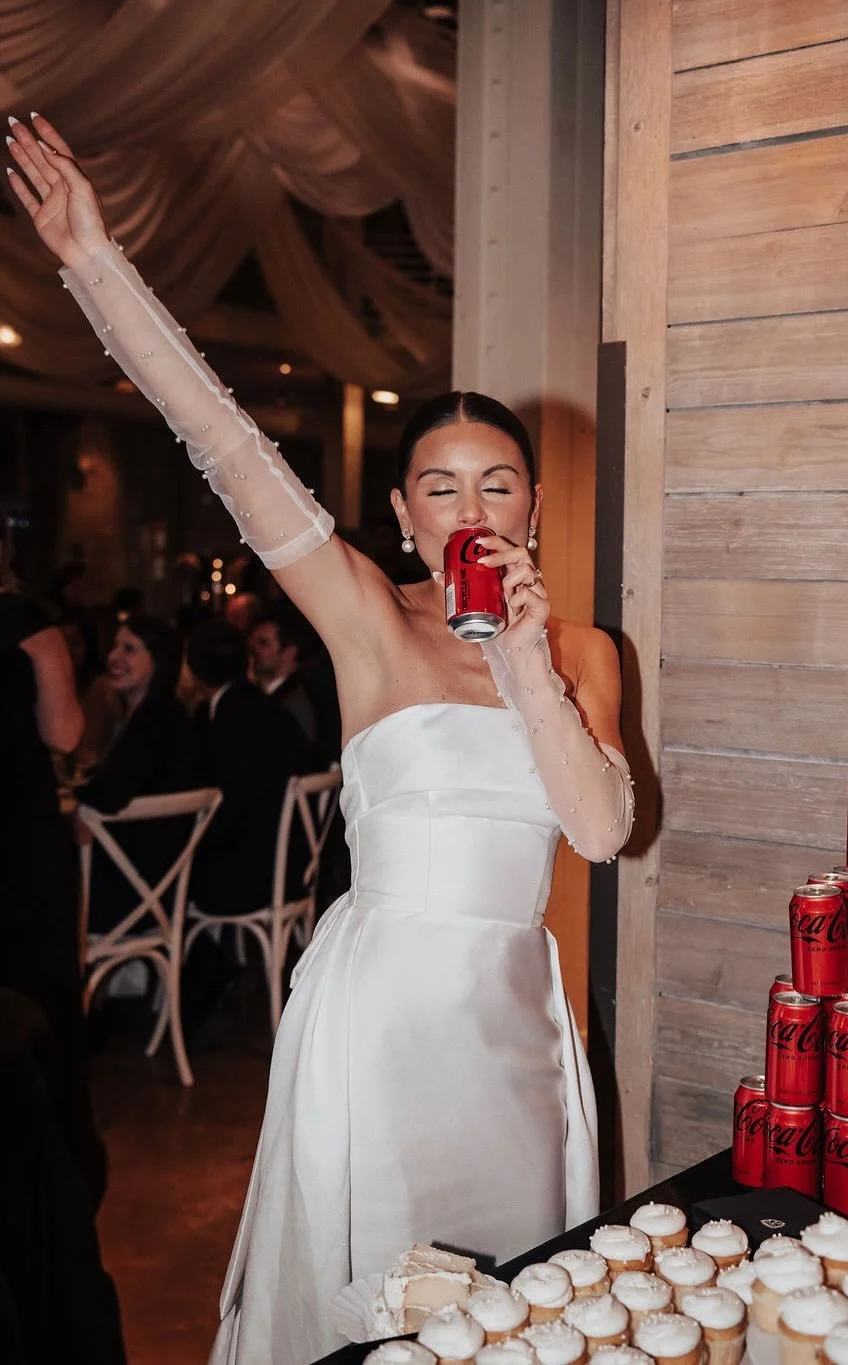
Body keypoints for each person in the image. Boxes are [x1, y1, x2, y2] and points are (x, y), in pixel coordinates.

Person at [8, 115, 635, 1365]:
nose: (472, 509)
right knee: (383, 1309)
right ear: (405, 518)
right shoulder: (362, 624)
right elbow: (233, 450)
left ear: (536, 502)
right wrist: (93, 262)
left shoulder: (584, 654)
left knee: (518, 1305)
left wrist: (522, 661)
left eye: (497, 483)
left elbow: (604, 830)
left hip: (518, 1013)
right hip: (383, 1015)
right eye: (442, 489)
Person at [0, 565, 107, 1207]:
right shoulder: (23, 622)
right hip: (17, 839)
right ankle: (57, 1166)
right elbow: (64, 732)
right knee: (37, 997)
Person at [76, 614, 201, 934]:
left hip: (132, 893)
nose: (113, 657)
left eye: (129, 649)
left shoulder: (155, 721)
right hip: (155, 887)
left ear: (158, 661)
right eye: (115, 646)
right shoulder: (159, 715)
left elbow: (106, 796)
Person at [187, 619, 315, 919]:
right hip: (293, 869)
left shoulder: (223, 721)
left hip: (250, 878)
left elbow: (221, 805)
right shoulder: (270, 711)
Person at [247, 605, 319, 744]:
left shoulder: (295, 702)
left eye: (263, 643)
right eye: (252, 643)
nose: (253, 650)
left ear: (289, 653)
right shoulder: (257, 694)